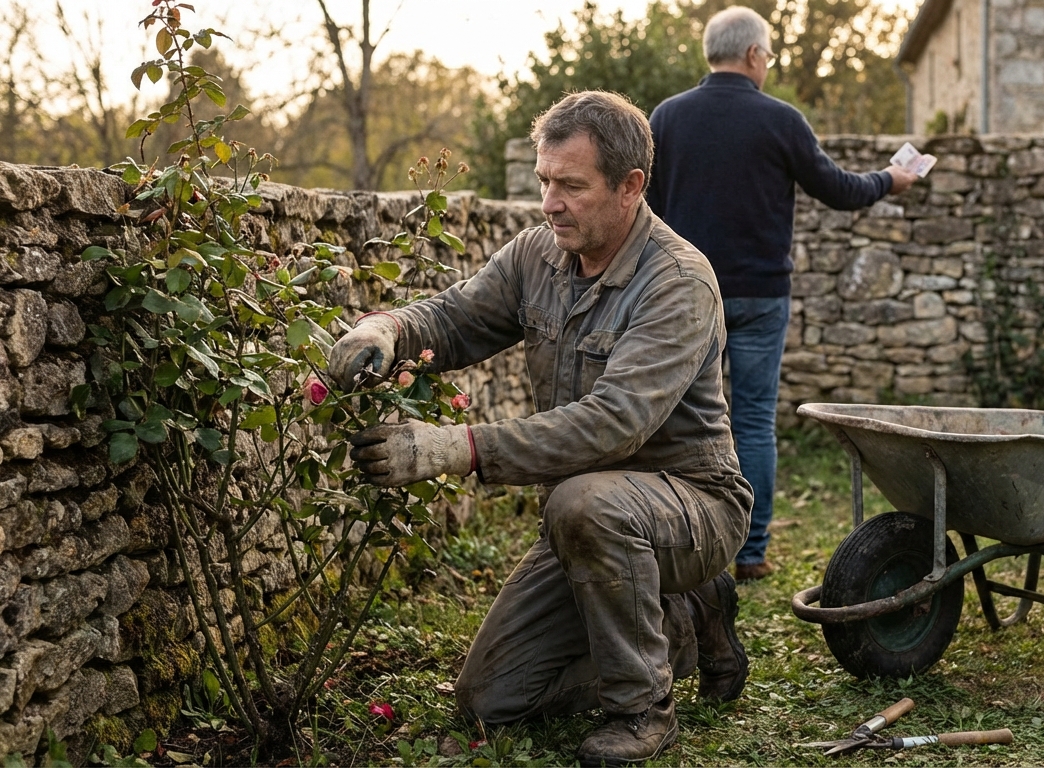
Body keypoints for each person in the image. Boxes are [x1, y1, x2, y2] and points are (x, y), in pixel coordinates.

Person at [327, 91, 753, 767]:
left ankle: (643, 707)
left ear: (630, 187)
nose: (550, 203)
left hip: (690, 505)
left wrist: (455, 447)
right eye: (545, 182)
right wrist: (388, 329)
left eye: (572, 187)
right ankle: (685, 626)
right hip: (585, 521)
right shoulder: (538, 255)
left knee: (584, 502)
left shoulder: (677, 281)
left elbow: (615, 425)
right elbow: (455, 318)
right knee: (488, 700)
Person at [646, 6, 919, 582]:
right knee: (751, 422)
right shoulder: (781, 120)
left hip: (686, 294)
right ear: (752, 55)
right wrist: (890, 180)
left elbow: (648, 209)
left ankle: (681, 544)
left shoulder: (666, 118)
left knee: (679, 417)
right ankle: (750, 552)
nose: (767, 64)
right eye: (767, 55)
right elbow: (839, 190)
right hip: (762, 295)